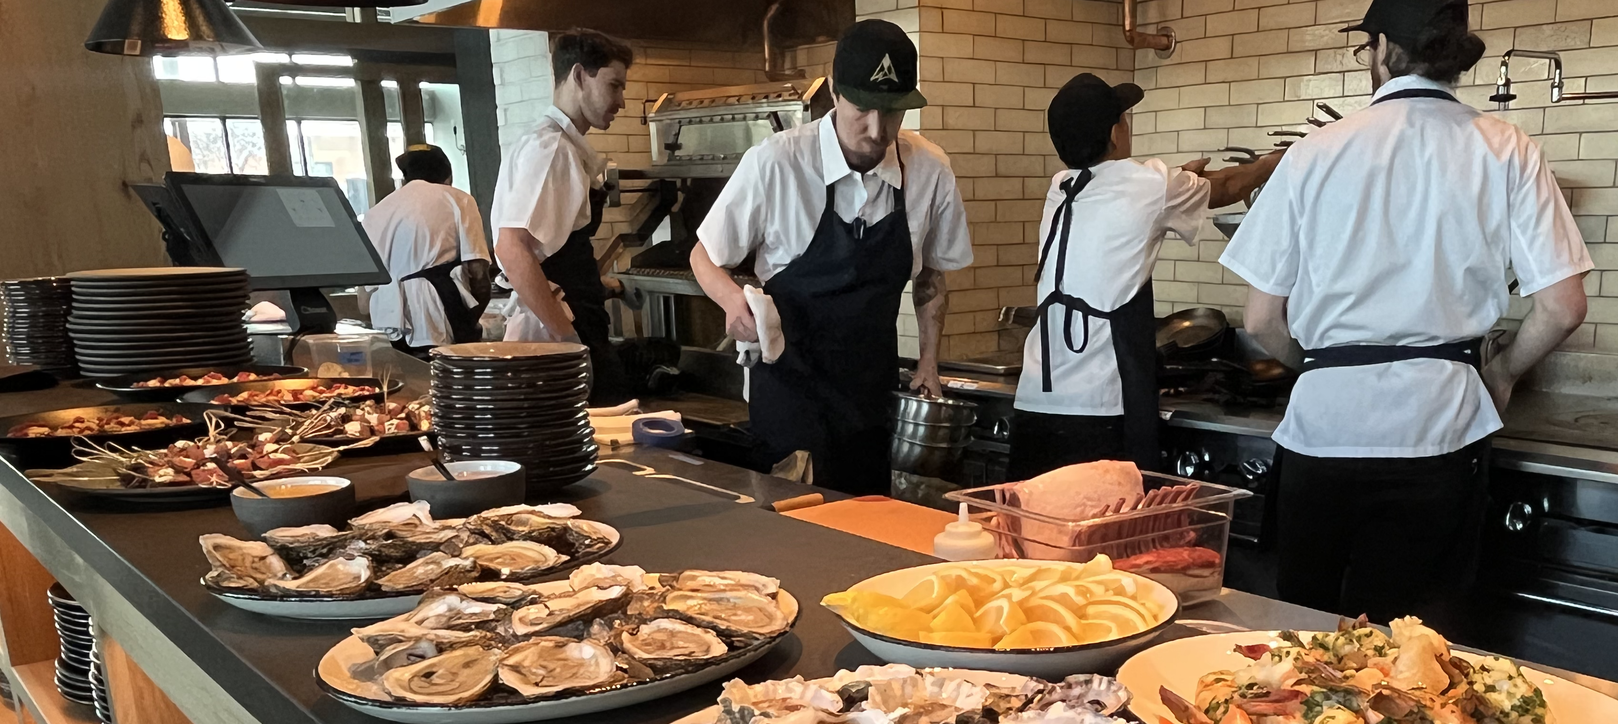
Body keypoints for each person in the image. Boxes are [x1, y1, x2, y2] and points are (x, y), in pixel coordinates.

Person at [1220, 0, 1590, 625]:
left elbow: (1260, 322)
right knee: (1412, 645)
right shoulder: (1506, 147)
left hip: (1321, 434)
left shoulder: (1313, 152)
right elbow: (1562, 307)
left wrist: (1323, 369)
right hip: (1440, 432)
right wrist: (1500, 375)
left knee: (1304, 636)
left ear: (1382, 48)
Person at [690, 19, 973, 495]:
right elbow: (704, 255)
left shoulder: (930, 170)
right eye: (863, 108)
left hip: (870, 393)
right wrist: (732, 302)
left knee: (868, 522)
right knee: (795, 520)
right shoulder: (777, 162)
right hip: (790, 391)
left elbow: (931, 277)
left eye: (893, 111)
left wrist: (929, 362)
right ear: (836, 94)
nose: (878, 129)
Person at [1010, 73, 1283, 479]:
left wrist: (1183, 179)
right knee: (1116, 520)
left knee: (1035, 519)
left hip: (1035, 404)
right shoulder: (1149, 185)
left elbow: (1138, 191)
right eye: (1124, 118)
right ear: (1114, 133)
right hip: (1103, 408)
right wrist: (1279, 161)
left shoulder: (1061, 187)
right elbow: (1228, 186)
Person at [492, 28, 630, 402]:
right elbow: (511, 248)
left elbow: (554, 250)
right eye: (614, 85)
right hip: (560, 332)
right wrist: (568, 340)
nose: (621, 101)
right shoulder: (552, 149)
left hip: (571, 320)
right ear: (580, 76)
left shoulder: (554, 143)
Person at [361, 144, 491, 352]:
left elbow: (363, 301)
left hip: (387, 323)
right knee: (446, 372)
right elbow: (478, 273)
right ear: (448, 176)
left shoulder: (375, 212)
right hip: (437, 317)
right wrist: (470, 322)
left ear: (405, 178)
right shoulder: (458, 199)